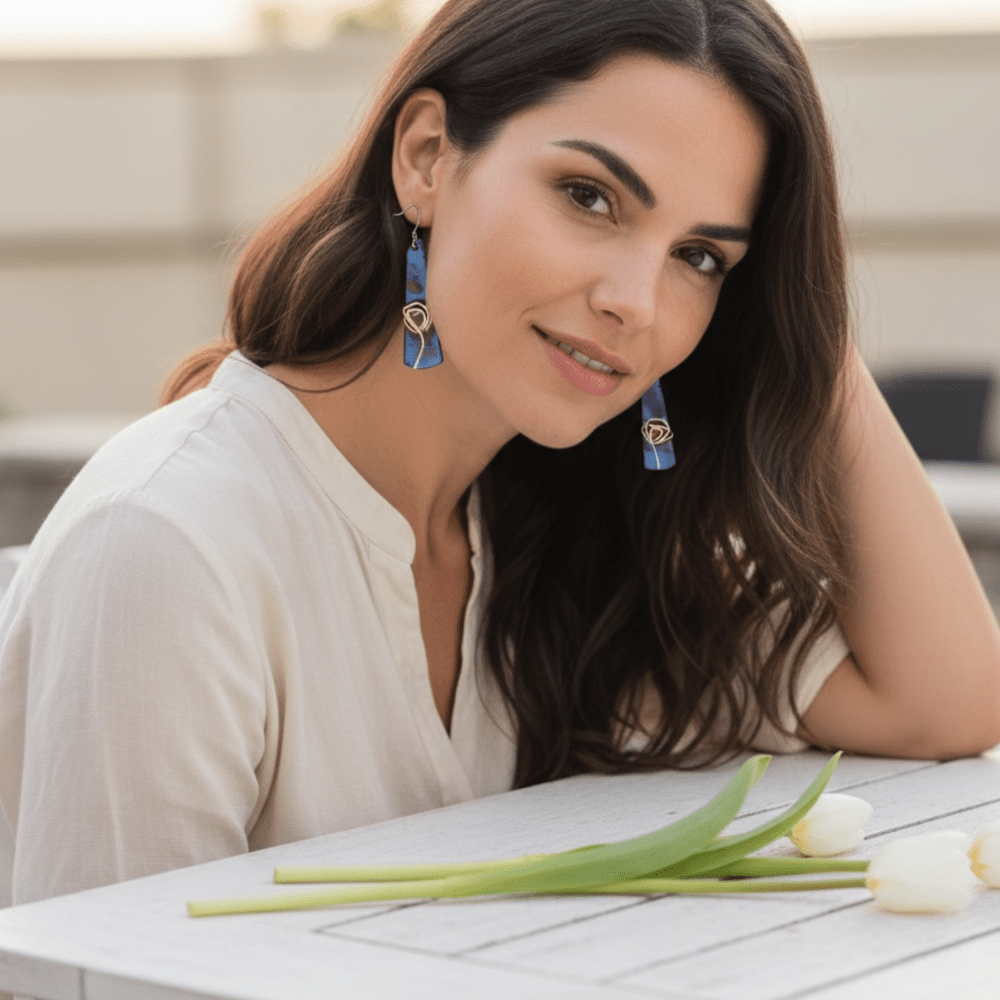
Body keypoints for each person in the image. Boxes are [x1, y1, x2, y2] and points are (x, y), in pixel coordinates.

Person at [2, 0, 999, 910]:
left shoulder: (563, 535)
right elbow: (99, 976)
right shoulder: (171, 546)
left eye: (701, 257)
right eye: (590, 196)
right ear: (428, 156)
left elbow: (946, 702)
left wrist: (797, 324)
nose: (635, 304)